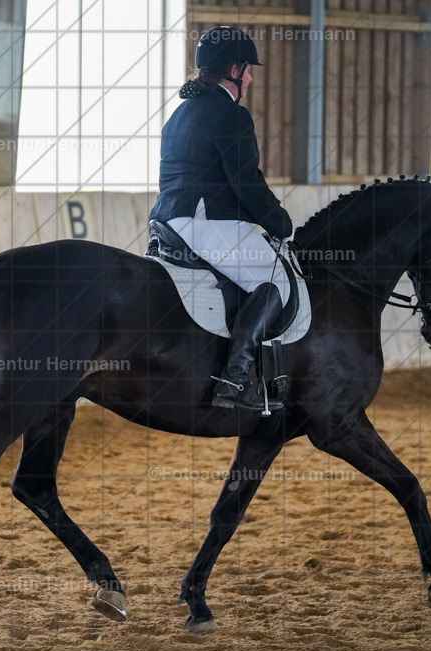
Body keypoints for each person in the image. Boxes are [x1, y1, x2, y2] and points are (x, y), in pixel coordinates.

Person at [149, 26, 294, 412]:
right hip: (204, 221)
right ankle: (235, 379)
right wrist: (280, 222)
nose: (250, 78)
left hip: (166, 221)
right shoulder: (231, 115)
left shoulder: (179, 114)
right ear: (233, 69)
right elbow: (246, 182)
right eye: (247, 70)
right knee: (275, 278)